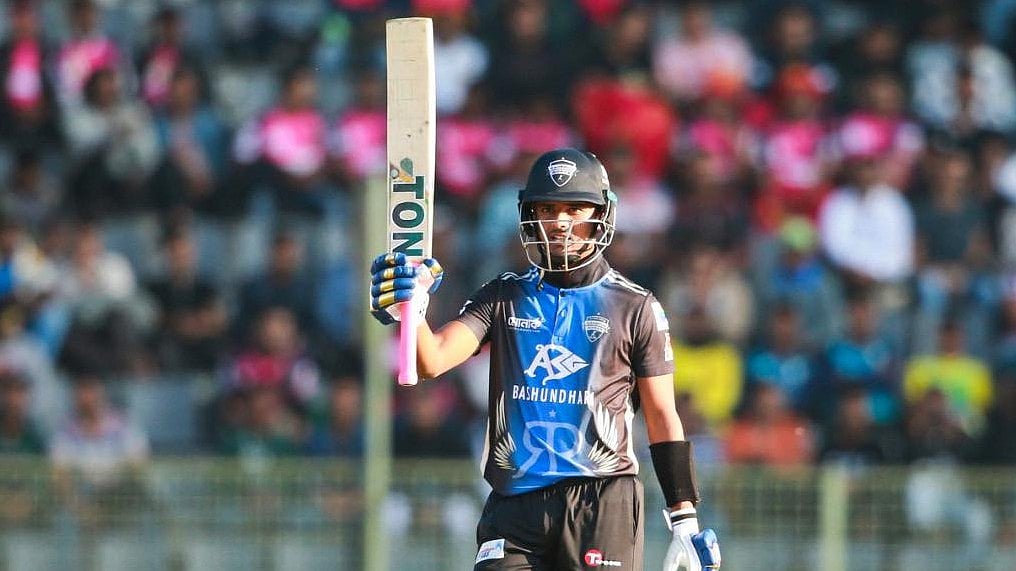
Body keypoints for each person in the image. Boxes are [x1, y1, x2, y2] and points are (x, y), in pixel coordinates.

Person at [370, 149, 721, 570]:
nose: (560, 221)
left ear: (602, 215)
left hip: (602, 498)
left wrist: (684, 517)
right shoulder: (504, 294)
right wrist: (410, 308)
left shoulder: (635, 306)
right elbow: (431, 360)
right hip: (515, 499)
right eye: (548, 208)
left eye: (576, 208)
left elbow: (663, 416)